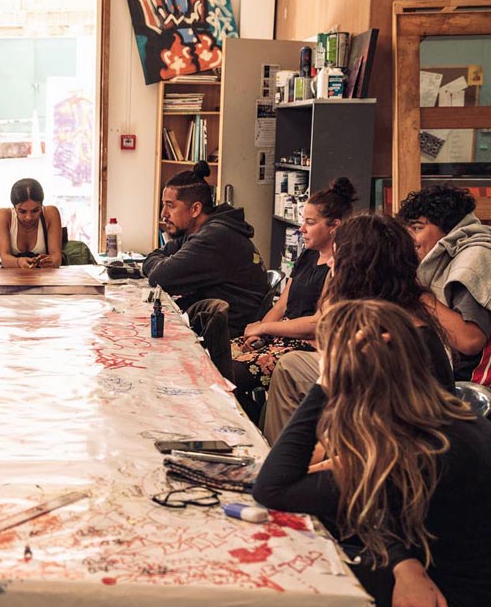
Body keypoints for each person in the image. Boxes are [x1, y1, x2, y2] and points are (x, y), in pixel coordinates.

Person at [253, 299, 491, 607]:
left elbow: (273, 487)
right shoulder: (434, 422)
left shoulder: (417, 451)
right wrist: (402, 561)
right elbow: (379, 508)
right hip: (442, 596)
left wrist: (322, 386)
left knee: (269, 597)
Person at [262, 214, 455, 443]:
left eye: (337, 255)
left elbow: (376, 441)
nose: (331, 262)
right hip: (383, 445)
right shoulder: (389, 312)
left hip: (404, 459)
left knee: (290, 369)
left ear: (358, 266)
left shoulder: (389, 339)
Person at [229, 178, 356, 419]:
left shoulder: (341, 267)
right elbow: (282, 304)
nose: (302, 229)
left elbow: (316, 324)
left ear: (334, 226)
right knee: (214, 361)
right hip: (280, 335)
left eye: (310, 222)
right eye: (302, 222)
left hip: (303, 345)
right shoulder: (308, 256)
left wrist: (265, 327)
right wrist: (257, 333)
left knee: (232, 375)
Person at [142, 161, 268, 337]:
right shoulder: (195, 230)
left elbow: (159, 278)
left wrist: (162, 264)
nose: (163, 213)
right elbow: (154, 257)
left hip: (231, 333)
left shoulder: (214, 237)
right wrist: (162, 263)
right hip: (211, 321)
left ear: (195, 209)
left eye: (170, 205)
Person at [398, 184, 491, 383]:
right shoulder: (445, 257)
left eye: (417, 228)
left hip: (469, 386)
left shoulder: (475, 257)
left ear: (449, 228)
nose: (410, 238)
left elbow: (470, 340)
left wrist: (413, 292)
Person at [0, 178, 64, 269]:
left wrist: (50, 261)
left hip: (44, 278)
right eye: (22, 211)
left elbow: (57, 258)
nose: (29, 217)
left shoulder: (50, 214)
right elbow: (4, 258)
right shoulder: (4, 216)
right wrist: (18, 262)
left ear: (42, 205)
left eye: (35, 211)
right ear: (14, 207)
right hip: (12, 278)